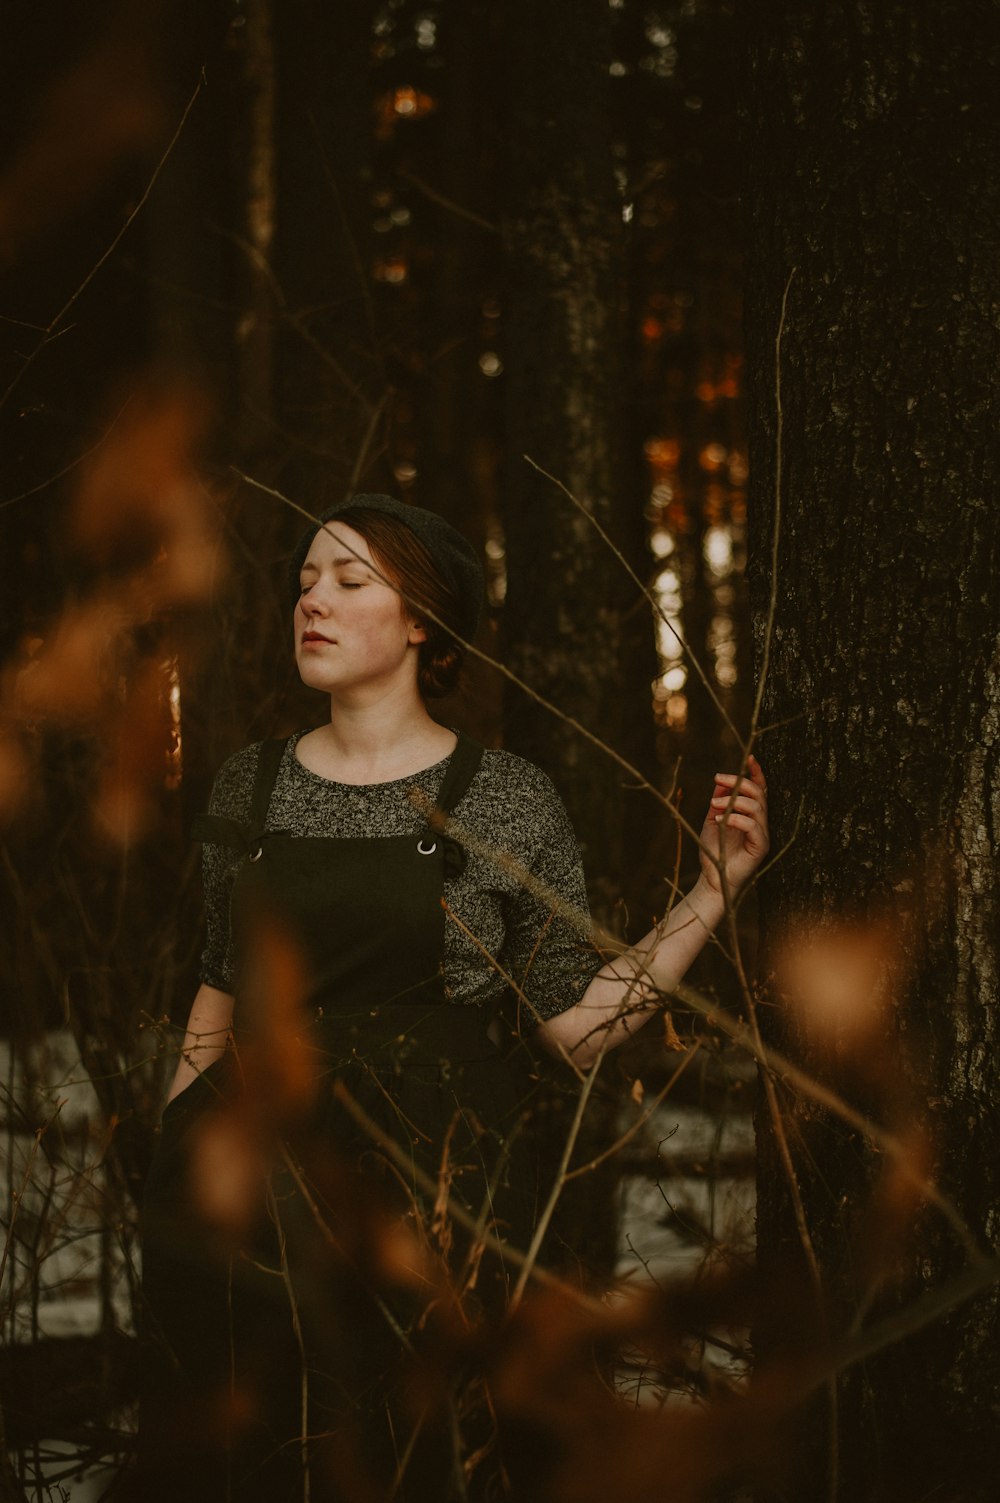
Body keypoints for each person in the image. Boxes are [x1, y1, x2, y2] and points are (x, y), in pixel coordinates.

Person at [136, 493, 768, 1503]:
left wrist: (710, 892)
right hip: (247, 1224)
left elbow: (578, 1025)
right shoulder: (245, 789)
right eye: (305, 582)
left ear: (422, 620)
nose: (315, 603)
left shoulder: (503, 798)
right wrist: (166, 1188)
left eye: (349, 582)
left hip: (436, 1213)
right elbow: (217, 1003)